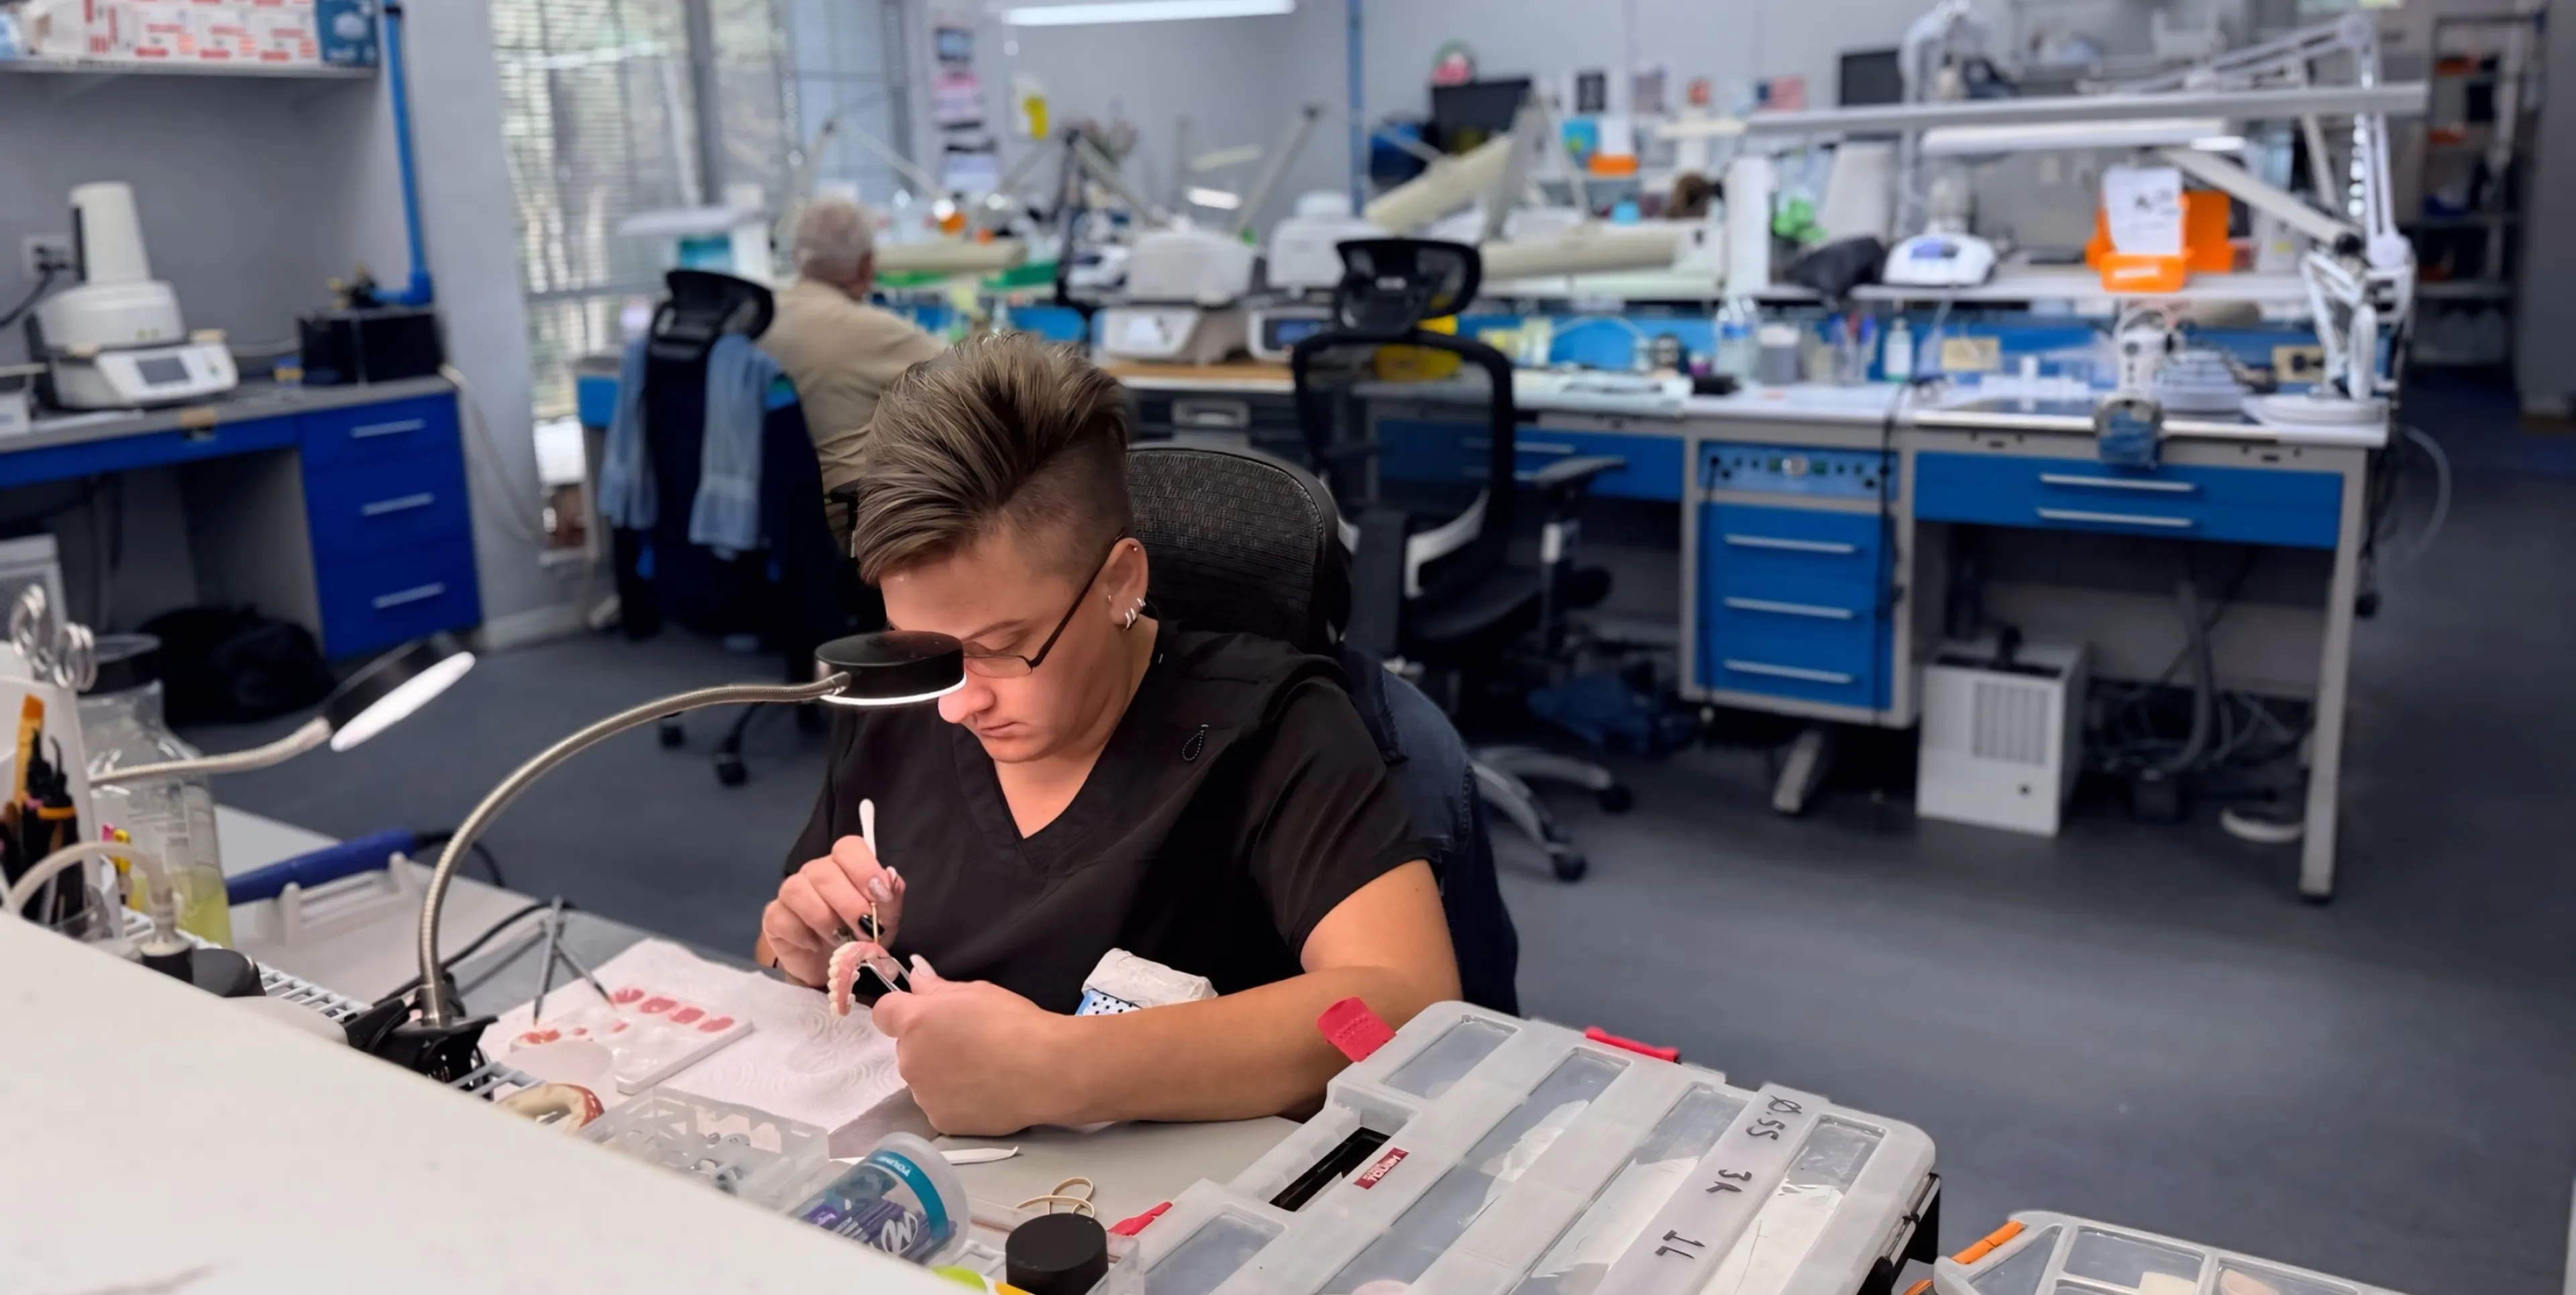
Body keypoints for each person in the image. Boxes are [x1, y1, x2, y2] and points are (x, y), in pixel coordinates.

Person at [755, 333, 1460, 1137]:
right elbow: (780, 955)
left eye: (1001, 648)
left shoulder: (1272, 730)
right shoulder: (903, 706)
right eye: (923, 652)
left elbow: (1407, 1009)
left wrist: (1061, 1068)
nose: (955, 704)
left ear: (1120, 582)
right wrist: (800, 951)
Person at [757, 196, 949, 537]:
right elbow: (976, 371)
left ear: (799, 257)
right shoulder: (873, 330)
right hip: (845, 531)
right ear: (866, 265)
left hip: (770, 530)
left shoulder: (759, 318)